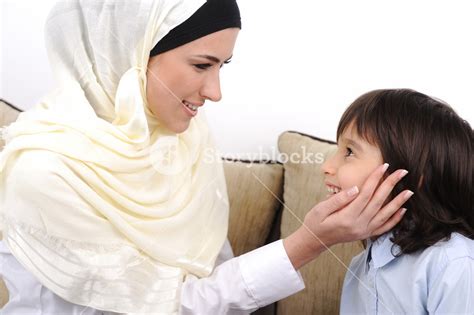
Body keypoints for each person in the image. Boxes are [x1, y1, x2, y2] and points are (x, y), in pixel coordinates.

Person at [0, 1, 412, 314]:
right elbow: (167, 307)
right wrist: (308, 243)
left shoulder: (184, 139)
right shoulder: (43, 172)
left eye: (222, 66)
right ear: (130, 52)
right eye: (201, 64)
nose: (215, 91)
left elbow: (213, 280)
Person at [321, 89, 474, 314]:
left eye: (350, 152)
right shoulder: (359, 266)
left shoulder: (453, 263)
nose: (326, 166)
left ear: (412, 175)